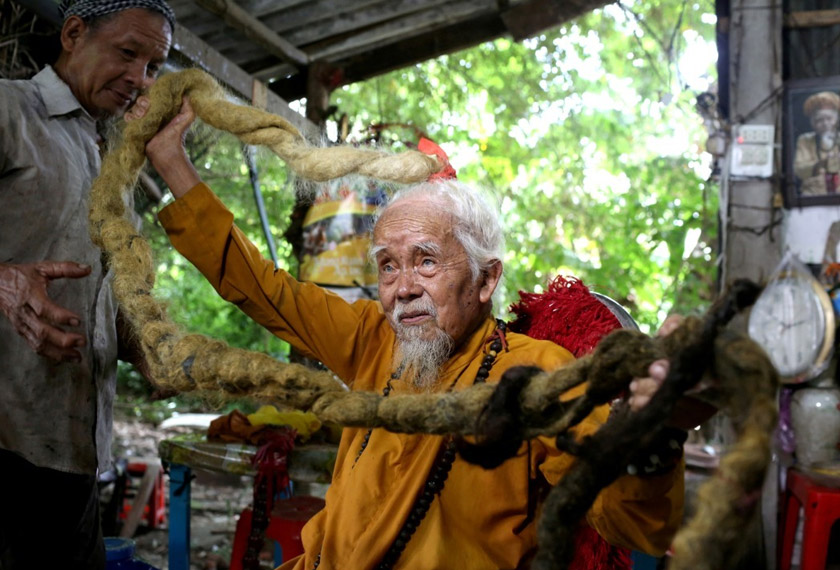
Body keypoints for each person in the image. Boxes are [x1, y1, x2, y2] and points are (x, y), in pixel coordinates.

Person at [137, 97, 698, 569]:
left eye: (426, 262)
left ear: (486, 279)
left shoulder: (536, 373)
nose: (402, 288)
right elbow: (263, 290)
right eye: (387, 266)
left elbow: (627, 520)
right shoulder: (372, 340)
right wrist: (170, 160)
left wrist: (655, 433)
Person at [0, 1, 174, 568]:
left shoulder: (111, 163)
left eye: (153, 66)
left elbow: (101, 290)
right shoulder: (9, 109)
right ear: (73, 34)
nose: (139, 79)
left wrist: (145, 347)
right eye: (128, 53)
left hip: (73, 450)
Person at [794, 90, 840, 195]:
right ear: (813, 123)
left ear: (836, 119)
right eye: (820, 120)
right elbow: (799, 170)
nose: (825, 123)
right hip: (813, 195)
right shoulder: (805, 140)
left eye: (829, 118)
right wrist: (821, 164)